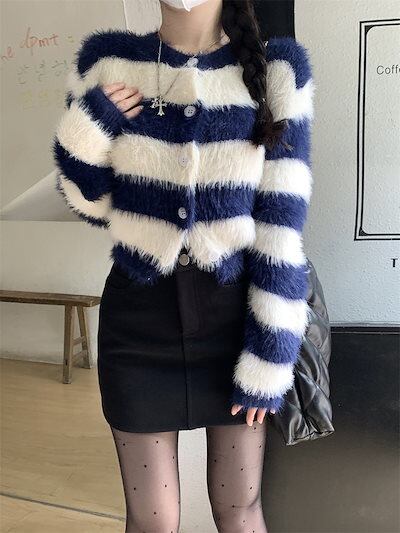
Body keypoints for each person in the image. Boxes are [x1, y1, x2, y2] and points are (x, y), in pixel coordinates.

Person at [52, 0, 314, 530]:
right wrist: (83, 133)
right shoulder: (107, 62)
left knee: (239, 510)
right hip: (138, 321)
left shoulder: (277, 70)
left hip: (237, 321)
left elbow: (280, 228)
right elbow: (92, 205)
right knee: (153, 520)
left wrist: (270, 353)